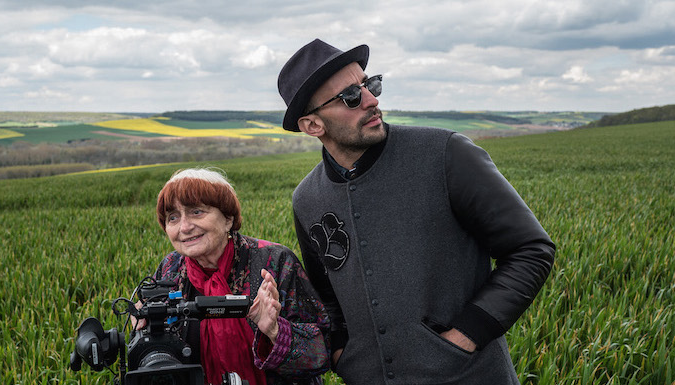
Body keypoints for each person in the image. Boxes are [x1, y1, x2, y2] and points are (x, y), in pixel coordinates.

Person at [277, 39, 556, 384]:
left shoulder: (445, 154)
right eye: (351, 96)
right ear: (313, 126)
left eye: (370, 84)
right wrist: (343, 354)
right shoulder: (307, 199)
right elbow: (327, 298)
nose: (372, 100)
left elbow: (531, 249)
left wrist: (464, 337)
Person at [137, 168, 330, 385]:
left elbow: (322, 352)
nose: (185, 227)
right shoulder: (170, 269)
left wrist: (275, 332)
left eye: (196, 212)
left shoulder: (274, 262)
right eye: (173, 217)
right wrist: (145, 324)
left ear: (228, 218)